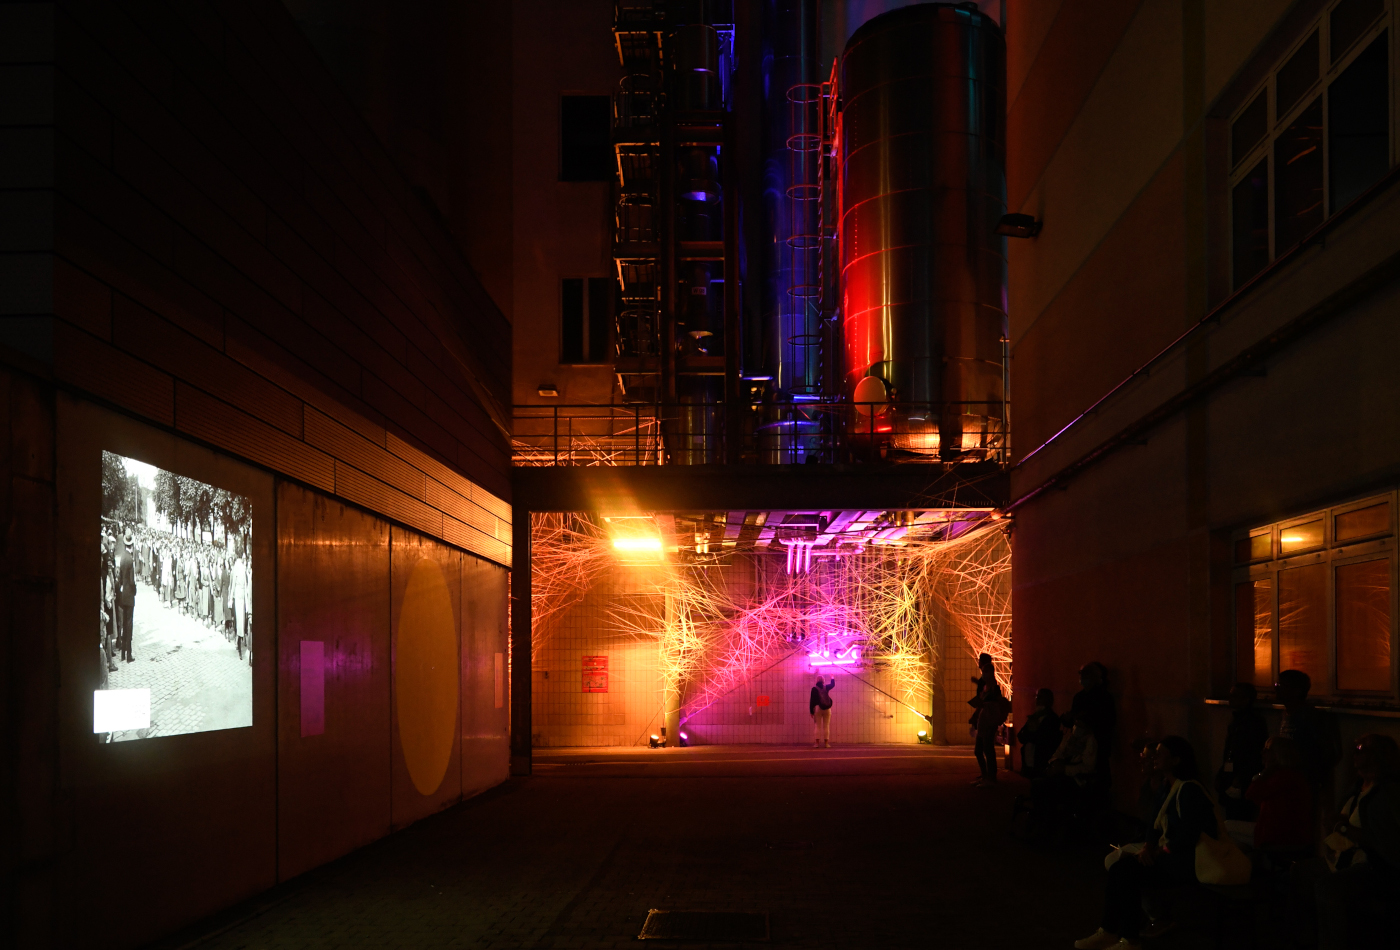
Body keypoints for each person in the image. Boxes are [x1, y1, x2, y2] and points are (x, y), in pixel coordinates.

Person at [1075, 737, 1220, 950]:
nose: (1154, 758)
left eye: (1160, 754)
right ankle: (1110, 931)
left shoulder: (1189, 790)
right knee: (1120, 868)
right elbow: (1154, 822)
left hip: (1190, 860)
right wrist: (1148, 847)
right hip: (1171, 855)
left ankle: (1128, 937)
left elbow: (1188, 835)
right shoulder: (1167, 785)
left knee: (1126, 872)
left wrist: (1160, 851)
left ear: (1176, 760)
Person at [1314, 734, 1400, 950]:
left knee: (1327, 888)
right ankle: (1301, 938)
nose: (1355, 752)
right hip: (1345, 858)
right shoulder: (1357, 788)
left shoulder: (1387, 793)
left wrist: (1343, 828)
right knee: (1302, 873)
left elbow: (1384, 841)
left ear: (1378, 755)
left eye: (1361, 748)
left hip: (1373, 866)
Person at [1242, 735, 1313, 852]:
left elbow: (1251, 794)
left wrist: (1263, 773)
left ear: (1277, 754)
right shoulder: (1287, 775)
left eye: (1267, 750)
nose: (1263, 753)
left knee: (1226, 829)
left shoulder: (1283, 777)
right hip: (1278, 832)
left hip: (1281, 836)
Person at [1276, 669, 1340, 792]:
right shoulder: (1285, 714)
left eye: (1281, 685)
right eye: (1276, 684)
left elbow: (1329, 752)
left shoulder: (1310, 716)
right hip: (1286, 780)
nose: (1276, 689)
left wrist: (1315, 777)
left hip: (1304, 783)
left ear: (1296, 690)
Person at [1217, 682, 1268, 820]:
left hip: (1242, 779)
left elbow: (1253, 752)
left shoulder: (1252, 722)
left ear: (1246, 699)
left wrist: (1241, 776)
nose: (1230, 699)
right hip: (1232, 776)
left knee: (1239, 815)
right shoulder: (1237, 720)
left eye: (1235, 696)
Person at [1071, 661, 1117, 780]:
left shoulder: (1104, 697)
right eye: (1080, 673)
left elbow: (1107, 721)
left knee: (1098, 777)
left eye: (1085, 673)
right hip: (1080, 745)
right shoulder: (1079, 697)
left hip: (1098, 744)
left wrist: (1086, 721)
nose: (1081, 676)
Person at [967, 653, 1008, 785]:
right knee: (981, 749)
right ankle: (986, 776)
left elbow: (994, 704)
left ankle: (991, 777)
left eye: (986, 671)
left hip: (989, 721)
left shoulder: (994, 688)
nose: (983, 673)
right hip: (984, 720)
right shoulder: (985, 687)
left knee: (987, 748)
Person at [1017, 687, 1062, 779]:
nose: (1037, 700)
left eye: (1040, 697)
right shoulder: (1034, 717)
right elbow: (1020, 736)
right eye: (1037, 697)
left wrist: (1029, 734)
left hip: (1041, 761)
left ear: (1048, 700)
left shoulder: (1052, 719)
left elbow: (1042, 738)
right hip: (1029, 761)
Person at [116, 529, 137, 662]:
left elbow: (120, 578)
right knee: (129, 625)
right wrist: (135, 590)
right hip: (129, 595)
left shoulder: (122, 557)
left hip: (122, 595)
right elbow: (132, 580)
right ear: (132, 545)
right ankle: (128, 654)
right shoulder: (130, 559)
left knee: (123, 623)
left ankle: (123, 654)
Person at [809, 674, 835, 748]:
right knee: (826, 726)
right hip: (827, 708)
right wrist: (832, 677)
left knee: (817, 726)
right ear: (823, 681)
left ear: (816, 680)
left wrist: (811, 711)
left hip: (818, 708)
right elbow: (833, 685)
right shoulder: (826, 687)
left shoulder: (814, 689)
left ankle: (817, 744)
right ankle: (826, 744)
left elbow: (812, 701)